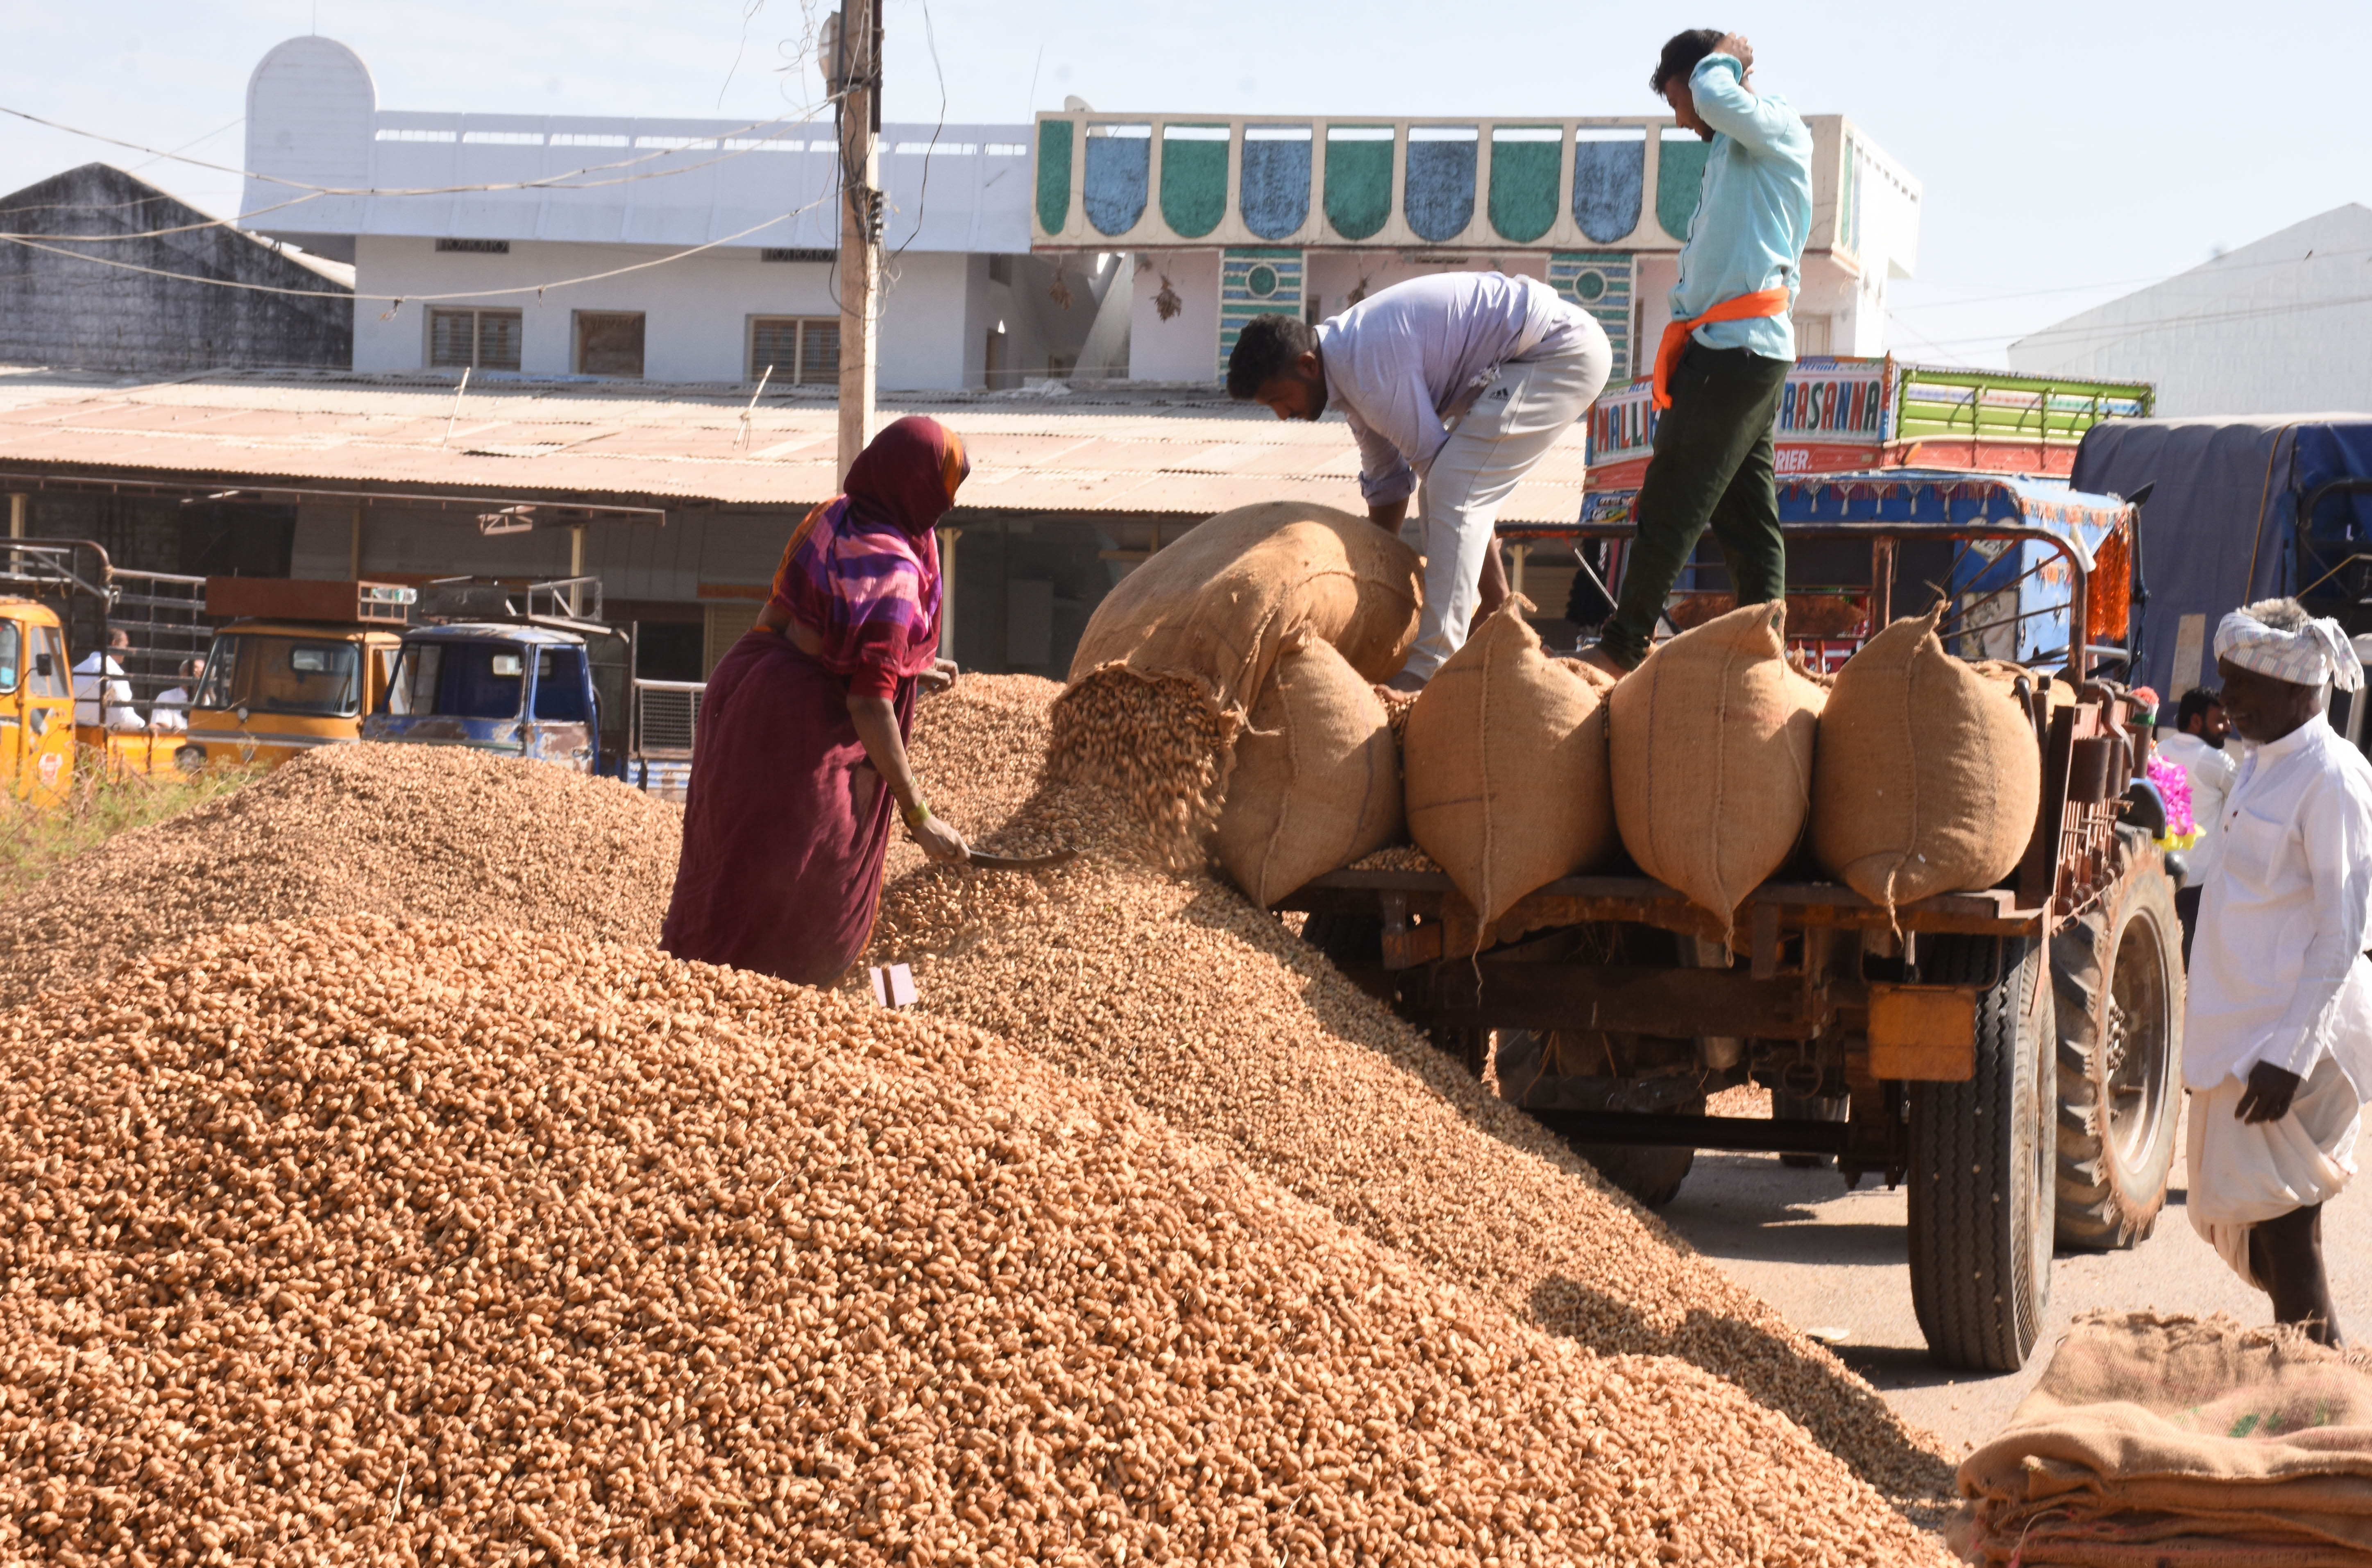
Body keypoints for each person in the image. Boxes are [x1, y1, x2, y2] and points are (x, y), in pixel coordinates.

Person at [661, 416, 971, 986]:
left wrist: (909, 665)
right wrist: (920, 815)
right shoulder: (897, 572)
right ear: (915, 488)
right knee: (809, 882)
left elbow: (782, 618)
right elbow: (868, 705)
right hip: (797, 732)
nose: (944, 508)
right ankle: (768, 1013)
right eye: (941, 491)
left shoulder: (834, 515)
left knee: (731, 859)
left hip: (745, 688)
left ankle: (695, 987)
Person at [1227, 271, 1613, 688]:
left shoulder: (1367, 367)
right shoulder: (1349, 372)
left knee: (1451, 483)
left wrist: (1495, 599)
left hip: (1560, 352)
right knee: (1450, 481)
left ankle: (1433, 664)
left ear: (1307, 366)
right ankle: (1496, 614)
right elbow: (1388, 483)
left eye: (1279, 400)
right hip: (1522, 362)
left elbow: (1452, 484)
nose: (1283, 415)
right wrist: (1371, 584)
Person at [1577, 29, 1814, 677]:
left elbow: (1714, 97)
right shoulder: (1732, 149)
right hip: (1728, 348)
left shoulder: (1775, 127)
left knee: (1671, 496)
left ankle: (1624, 645)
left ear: (1707, 79)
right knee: (1745, 519)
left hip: (1737, 353)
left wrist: (1722, 61)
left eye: (1678, 100)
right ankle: (1766, 654)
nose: (1681, 119)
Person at [2183, 599, 2372, 1347]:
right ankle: (2323, 1387)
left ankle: (2324, 1417)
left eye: (2241, 685)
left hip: (2294, 1050)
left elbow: (2342, 930)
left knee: (2288, 1241)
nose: (2226, 699)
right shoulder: (2256, 765)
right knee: (2272, 1242)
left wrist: (2289, 1054)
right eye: (2224, 682)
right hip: (2245, 1041)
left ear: (2299, 692)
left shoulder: (2332, 779)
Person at [2158, 684, 2238, 963]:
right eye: (2220, 720)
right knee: (2187, 961)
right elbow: (2245, 800)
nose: (2228, 728)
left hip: (2159, 871)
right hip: (2197, 882)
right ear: (2195, 722)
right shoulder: (2218, 762)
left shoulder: (2160, 750)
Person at [72, 628, 143, 730]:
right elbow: (123, 718)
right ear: (114, 644)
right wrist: (143, 726)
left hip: (76, 736)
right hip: (106, 738)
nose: (126, 651)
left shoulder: (78, 669)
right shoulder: (113, 672)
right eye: (125, 646)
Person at [148, 657, 203, 732]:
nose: (195, 676)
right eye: (190, 671)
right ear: (182, 675)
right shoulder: (167, 697)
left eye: (201, 673)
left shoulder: (213, 702)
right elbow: (161, 729)